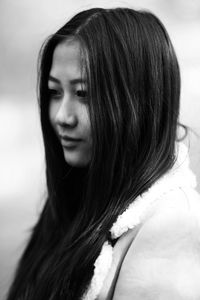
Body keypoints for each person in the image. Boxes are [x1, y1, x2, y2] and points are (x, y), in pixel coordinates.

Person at [6, 7, 200, 300]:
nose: (62, 116)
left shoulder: (172, 224)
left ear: (138, 101)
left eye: (83, 94)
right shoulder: (77, 199)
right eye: (54, 92)